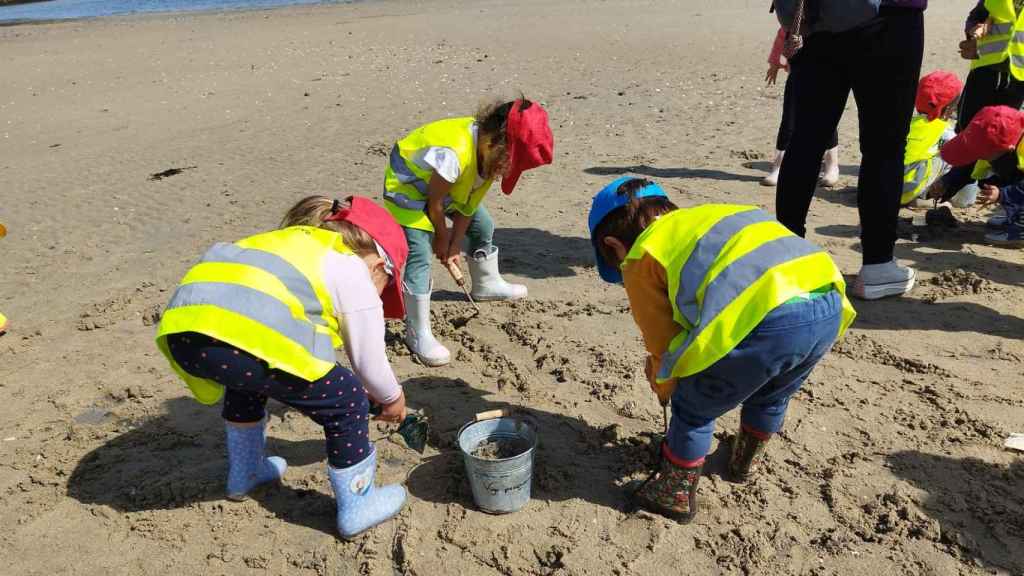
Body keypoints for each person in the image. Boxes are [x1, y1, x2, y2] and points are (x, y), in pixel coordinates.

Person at [587, 177, 856, 523]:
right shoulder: (713, 217)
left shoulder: (643, 254)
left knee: (694, 407)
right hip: (827, 300)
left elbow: (664, 344)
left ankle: (673, 494)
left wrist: (664, 384)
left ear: (613, 246)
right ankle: (743, 462)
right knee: (772, 395)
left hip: (768, 320)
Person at [155, 196, 410, 539]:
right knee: (347, 396)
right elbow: (368, 360)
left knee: (249, 379)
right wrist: (391, 397)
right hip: (238, 336)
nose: (379, 297)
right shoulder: (350, 267)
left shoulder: (285, 244)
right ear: (381, 266)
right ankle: (359, 505)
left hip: (185, 328)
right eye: (385, 290)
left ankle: (246, 473)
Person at [773, 0, 926, 301]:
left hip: (817, 22)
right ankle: (878, 264)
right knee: (884, 147)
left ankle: (785, 257)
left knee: (806, 140)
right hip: (887, 19)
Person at [383, 99, 554, 367]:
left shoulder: (489, 158)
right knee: (420, 252)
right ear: (494, 142)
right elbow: (434, 203)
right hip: (409, 189)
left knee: (483, 225)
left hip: (447, 189)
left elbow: (468, 205)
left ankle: (486, 284)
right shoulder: (456, 152)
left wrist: (454, 244)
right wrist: (442, 238)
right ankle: (417, 332)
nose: (505, 172)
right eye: (509, 163)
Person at [929, 1, 1024, 203]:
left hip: (1018, 79)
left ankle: (1007, 198)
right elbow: (977, 16)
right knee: (971, 127)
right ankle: (957, 182)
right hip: (985, 69)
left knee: (1005, 139)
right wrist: (973, 32)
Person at [763, 26, 840, 188]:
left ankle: (832, 165)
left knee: (827, 119)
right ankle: (778, 166)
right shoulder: (797, 10)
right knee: (789, 120)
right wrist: (775, 63)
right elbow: (783, 32)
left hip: (828, 69)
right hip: (798, 71)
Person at [935, 105, 1024, 245]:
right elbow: (970, 165)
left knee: (1011, 182)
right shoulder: (1001, 146)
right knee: (993, 178)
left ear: (1007, 148)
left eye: (984, 153)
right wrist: (947, 182)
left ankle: (1020, 232)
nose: (981, 157)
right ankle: (1015, 216)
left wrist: (1003, 194)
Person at [901, 71, 963, 207]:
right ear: (948, 110)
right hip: (906, 190)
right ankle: (925, 197)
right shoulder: (945, 131)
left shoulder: (907, 123)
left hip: (884, 187)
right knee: (952, 154)